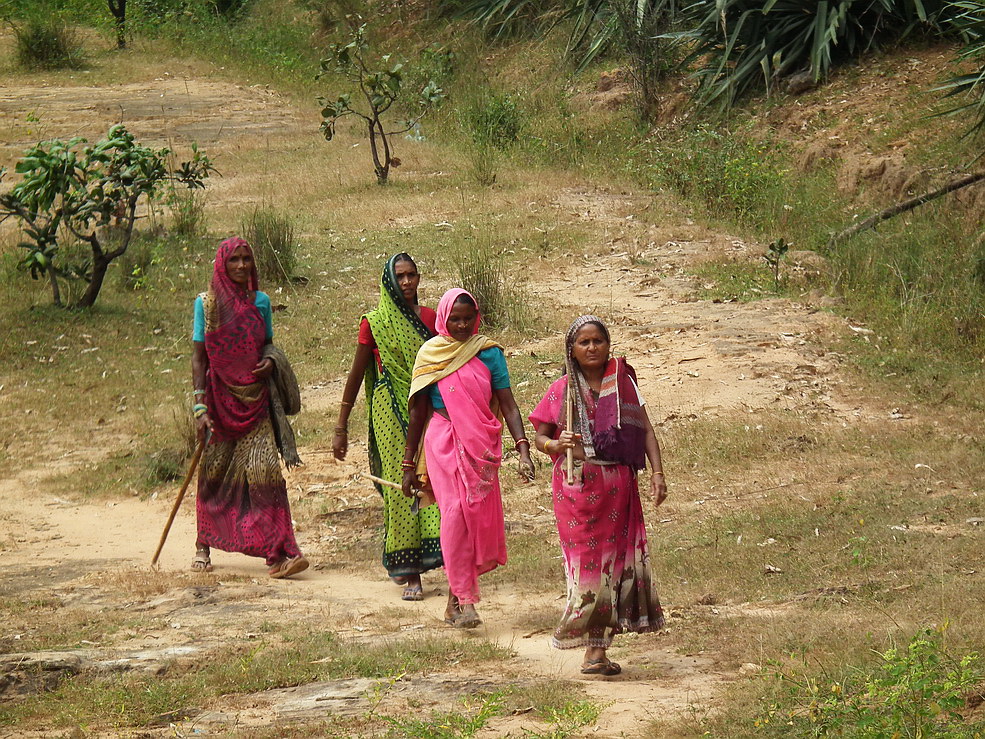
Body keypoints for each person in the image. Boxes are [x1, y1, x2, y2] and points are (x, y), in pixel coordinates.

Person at [529, 315, 666, 676]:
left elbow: (647, 430)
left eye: (598, 341)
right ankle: (592, 647)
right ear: (571, 351)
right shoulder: (562, 389)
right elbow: (540, 436)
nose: (592, 348)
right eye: (583, 343)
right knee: (586, 567)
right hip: (577, 488)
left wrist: (657, 473)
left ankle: (597, 651)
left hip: (619, 487)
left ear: (608, 345)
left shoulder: (624, 385)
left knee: (615, 566)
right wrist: (555, 444)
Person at [402, 288, 535, 628]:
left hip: (480, 445)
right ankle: (467, 601)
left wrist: (523, 449)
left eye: (467, 319)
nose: (461, 326)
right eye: (454, 319)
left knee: (475, 519)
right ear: (443, 319)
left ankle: (453, 597)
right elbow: (417, 413)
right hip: (442, 441)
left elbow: (508, 403)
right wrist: (407, 466)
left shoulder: (488, 353)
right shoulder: (430, 354)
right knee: (455, 514)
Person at [190, 236, 308, 579]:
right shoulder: (207, 305)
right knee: (213, 476)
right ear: (221, 265)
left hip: (256, 403)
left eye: (247, 259)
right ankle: (203, 544)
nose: (242, 266)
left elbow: (268, 344)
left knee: (266, 478)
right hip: (218, 402)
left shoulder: (261, 302)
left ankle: (280, 554)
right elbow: (199, 357)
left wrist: (272, 360)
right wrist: (200, 407)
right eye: (235, 260)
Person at [333, 253, 442, 601]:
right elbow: (355, 373)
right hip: (390, 409)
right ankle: (410, 571)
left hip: (430, 407)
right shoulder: (375, 322)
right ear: (388, 281)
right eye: (400, 276)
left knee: (434, 480)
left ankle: (441, 557)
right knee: (401, 486)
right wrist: (341, 424)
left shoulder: (432, 318)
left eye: (412, 275)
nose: (407, 282)